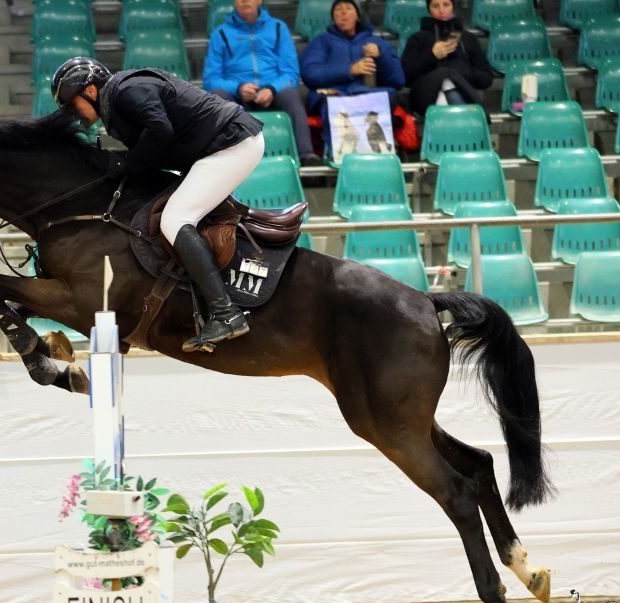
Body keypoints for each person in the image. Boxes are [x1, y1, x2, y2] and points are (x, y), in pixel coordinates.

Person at [51, 57, 265, 352]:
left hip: (232, 144)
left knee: (175, 219)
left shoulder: (126, 92)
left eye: (71, 104)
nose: (72, 114)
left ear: (89, 91)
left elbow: (159, 130)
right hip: (220, 146)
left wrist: (128, 163)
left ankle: (226, 313)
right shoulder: (118, 99)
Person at [203, 0, 323, 167]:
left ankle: (306, 155)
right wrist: (238, 88)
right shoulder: (220, 33)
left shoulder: (278, 28)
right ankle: (226, 163)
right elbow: (211, 79)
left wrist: (272, 89)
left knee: (290, 94)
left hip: (273, 90)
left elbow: (290, 73)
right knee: (218, 95)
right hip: (238, 95)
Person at [299, 0, 406, 118]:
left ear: (358, 16)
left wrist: (381, 57)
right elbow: (310, 74)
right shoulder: (321, 41)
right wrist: (350, 70)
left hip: (368, 94)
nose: (343, 12)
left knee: (386, 98)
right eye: (338, 9)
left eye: (349, 8)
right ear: (333, 18)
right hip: (334, 95)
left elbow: (398, 80)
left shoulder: (378, 43)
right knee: (331, 104)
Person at [399, 0, 494, 116]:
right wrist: (432, 55)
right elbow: (405, 77)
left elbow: (486, 79)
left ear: (453, 6)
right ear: (429, 9)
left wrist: (463, 72)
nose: (441, 10)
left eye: (446, 4)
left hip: (459, 90)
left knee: (448, 78)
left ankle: (451, 123)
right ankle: (465, 120)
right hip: (425, 96)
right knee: (444, 74)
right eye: (435, 6)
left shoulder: (469, 39)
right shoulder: (416, 39)